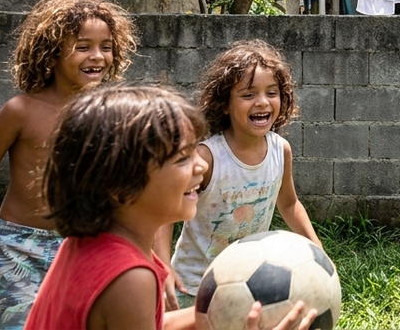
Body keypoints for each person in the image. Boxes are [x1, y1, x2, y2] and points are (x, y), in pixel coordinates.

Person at [24, 85, 317, 330]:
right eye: (182, 159)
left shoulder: (97, 242)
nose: (201, 165)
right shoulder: (129, 277)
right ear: (120, 185)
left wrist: (226, 311)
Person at [0, 0, 137, 330]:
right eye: (83, 46)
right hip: (18, 248)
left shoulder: (111, 115)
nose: (97, 56)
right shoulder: (21, 112)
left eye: (106, 47)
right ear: (51, 53)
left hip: (85, 244)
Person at [156, 40, 321, 310]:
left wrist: (317, 248)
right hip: (194, 285)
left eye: (272, 92)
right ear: (224, 104)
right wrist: (162, 266)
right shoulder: (207, 158)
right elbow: (166, 211)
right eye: (248, 94)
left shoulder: (281, 151)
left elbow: (289, 204)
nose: (262, 102)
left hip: (248, 281)